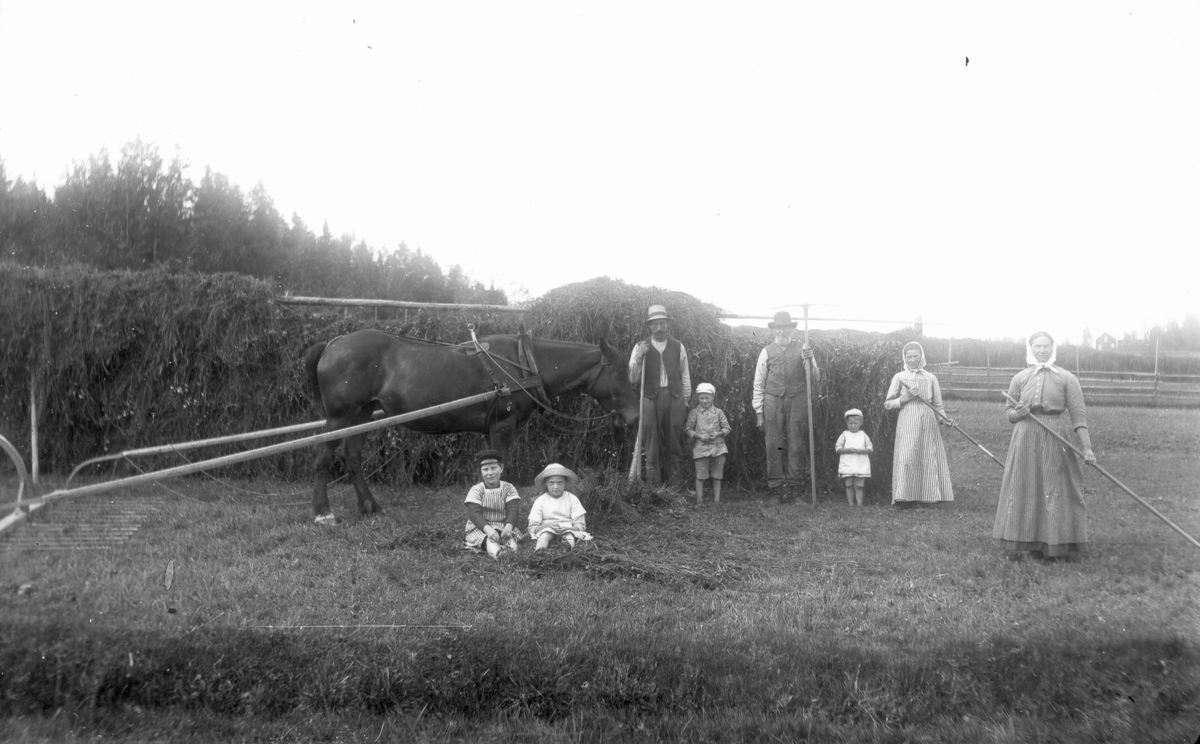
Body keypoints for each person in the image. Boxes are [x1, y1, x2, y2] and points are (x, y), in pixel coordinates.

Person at [993, 331, 1096, 561]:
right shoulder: (1020, 378)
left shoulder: (1067, 378)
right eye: (1037, 346)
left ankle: (1055, 543)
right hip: (1025, 436)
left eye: (1046, 346)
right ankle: (1028, 542)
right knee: (1025, 485)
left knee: (1054, 487)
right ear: (1030, 348)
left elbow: (1078, 417)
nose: (1042, 350)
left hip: (1055, 437)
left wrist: (1087, 449)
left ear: (1053, 348)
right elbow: (1008, 415)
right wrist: (1017, 413)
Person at [751, 310, 820, 502]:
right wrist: (759, 411)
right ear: (774, 330)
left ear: (791, 329)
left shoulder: (803, 348)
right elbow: (759, 383)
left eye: (786, 328)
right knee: (773, 444)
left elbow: (814, 378)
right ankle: (776, 489)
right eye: (779, 328)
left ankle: (795, 490)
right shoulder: (766, 351)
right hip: (772, 400)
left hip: (797, 399)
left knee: (796, 443)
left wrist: (809, 361)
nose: (782, 332)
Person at [884, 341, 954, 506]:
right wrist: (905, 398)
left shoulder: (930, 378)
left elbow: (938, 406)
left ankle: (928, 496)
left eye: (916, 356)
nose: (913, 359)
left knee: (927, 455)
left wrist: (944, 420)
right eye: (909, 357)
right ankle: (904, 497)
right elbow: (887, 404)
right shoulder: (899, 377)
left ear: (921, 356)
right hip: (908, 418)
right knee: (907, 455)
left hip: (927, 420)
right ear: (905, 358)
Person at [629, 304, 691, 490]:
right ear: (649, 327)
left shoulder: (678, 347)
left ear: (667, 325)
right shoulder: (640, 347)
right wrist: (639, 358)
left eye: (662, 323)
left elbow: (685, 375)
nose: (658, 328)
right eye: (654, 324)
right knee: (651, 446)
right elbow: (632, 379)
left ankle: (675, 490)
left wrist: (685, 401)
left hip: (674, 398)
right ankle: (654, 491)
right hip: (650, 399)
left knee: (675, 445)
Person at [463, 449, 522, 559]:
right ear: (481, 471)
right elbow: (474, 513)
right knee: (490, 539)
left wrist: (508, 527)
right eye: (485, 469)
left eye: (494, 468)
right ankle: (498, 555)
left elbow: (513, 510)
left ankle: (513, 553)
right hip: (482, 527)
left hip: (503, 525)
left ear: (501, 468)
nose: (490, 473)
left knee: (509, 538)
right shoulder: (476, 490)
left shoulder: (508, 488)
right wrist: (489, 530)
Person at [684, 382, 732, 506]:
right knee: (700, 475)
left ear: (713, 397)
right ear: (697, 398)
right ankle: (699, 501)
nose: (704, 401)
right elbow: (688, 429)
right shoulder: (694, 413)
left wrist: (718, 434)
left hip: (719, 447)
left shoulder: (719, 412)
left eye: (707, 398)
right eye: (701, 398)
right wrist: (698, 436)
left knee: (717, 475)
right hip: (701, 448)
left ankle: (717, 500)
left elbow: (727, 428)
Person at [527, 463, 590, 551]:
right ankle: (540, 552)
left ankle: (567, 549)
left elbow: (580, 525)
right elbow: (532, 527)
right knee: (545, 535)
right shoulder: (541, 500)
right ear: (546, 483)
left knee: (569, 536)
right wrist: (547, 525)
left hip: (568, 528)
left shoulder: (572, 499)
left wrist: (568, 528)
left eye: (560, 482)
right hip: (546, 528)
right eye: (551, 483)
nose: (556, 487)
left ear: (565, 483)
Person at [835, 408, 873, 507]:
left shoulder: (863, 435)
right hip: (848, 465)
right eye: (850, 423)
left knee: (858, 486)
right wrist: (848, 450)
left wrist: (861, 451)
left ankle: (860, 505)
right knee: (849, 485)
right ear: (846, 423)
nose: (852, 425)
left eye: (855, 423)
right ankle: (851, 504)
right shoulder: (844, 435)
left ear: (861, 423)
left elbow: (870, 449)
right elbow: (838, 448)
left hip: (860, 465)